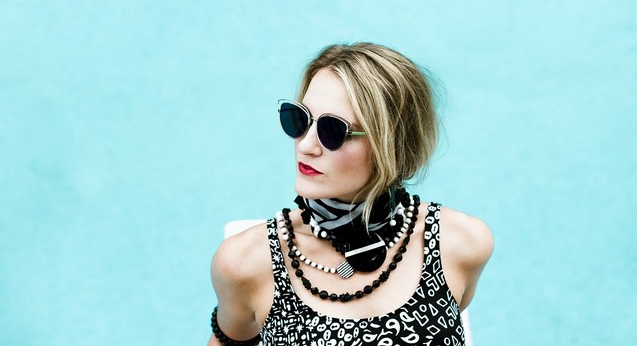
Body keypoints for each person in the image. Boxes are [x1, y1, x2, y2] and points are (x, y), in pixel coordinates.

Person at [208, 42, 493, 345]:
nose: (306, 145)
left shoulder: (462, 244)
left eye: (333, 130)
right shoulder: (245, 263)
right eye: (299, 119)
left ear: (391, 144)